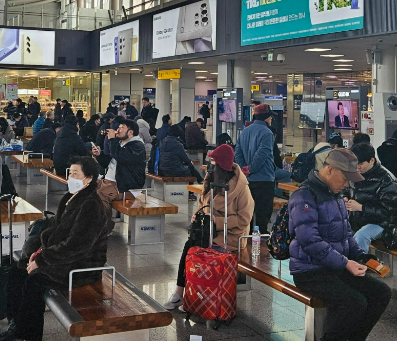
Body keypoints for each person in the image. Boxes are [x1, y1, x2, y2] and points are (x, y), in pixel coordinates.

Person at [0, 157, 110, 341]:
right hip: (62, 258)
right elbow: (56, 231)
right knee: (16, 271)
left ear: (88, 179)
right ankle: (15, 324)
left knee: (34, 283)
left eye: (76, 174)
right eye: (70, 172)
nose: (70, 177)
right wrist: (38, 254)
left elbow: (77, 246)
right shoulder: (70, 198)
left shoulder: (91, 205)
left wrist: (42, 260)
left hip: (82, 266)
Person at [290, 149, 390, 341]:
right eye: (344, 178)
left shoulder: (335, 197)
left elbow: (346, 235)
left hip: (335, 266)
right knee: (353, 301)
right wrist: (346, 264)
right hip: (310, 270)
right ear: (329, 169)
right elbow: (310, 241)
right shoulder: (303, 196)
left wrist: (361, 257)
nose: (346, 184)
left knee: (380, 293)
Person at [163, 144, 254, 310]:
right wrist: (197, 215)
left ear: (221, 165)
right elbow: (201, 204)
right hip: (208, 230)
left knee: (195, 248)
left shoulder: (242, 189)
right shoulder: (210, 181)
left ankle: (188, 295)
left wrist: (217, 220)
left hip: (231, 236)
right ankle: (183, 292)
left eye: (213, 161)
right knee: (190, 247)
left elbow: (244, 219)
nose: (209, 165)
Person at [347, 143, 397, 252]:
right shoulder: (355, 173)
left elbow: (387, 212)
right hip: (358, 219)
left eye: (360, 163)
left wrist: (361, 207)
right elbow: (346, 189)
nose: (357, 167)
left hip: (382, 224)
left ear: (372, 161)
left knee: (361, 236)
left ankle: (360, 265)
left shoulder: (388, 181)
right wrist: (344, 198)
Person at [235, 103, 275, 233]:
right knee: (263, 213)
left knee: (248, 211)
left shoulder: (245, 131)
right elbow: (262, 155)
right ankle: (261, 241)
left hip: (247, 180)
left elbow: (238, 151)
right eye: (270, 117)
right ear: (266, 118)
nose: (271, 119)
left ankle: (248, 238)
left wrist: (243, 168)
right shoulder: (267, 133)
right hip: (264, 179)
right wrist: (251, 168)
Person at [100, 119, 147, 193]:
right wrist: (99, 154)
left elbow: (121, 157)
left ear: (130, 132)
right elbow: (107, 162)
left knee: (99, 196)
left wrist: (112, 140)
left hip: (125, 187)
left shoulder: (137, 146)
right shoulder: (119, 144)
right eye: (118, 127)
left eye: (122, 127)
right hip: (109, 181)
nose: (118, 129)